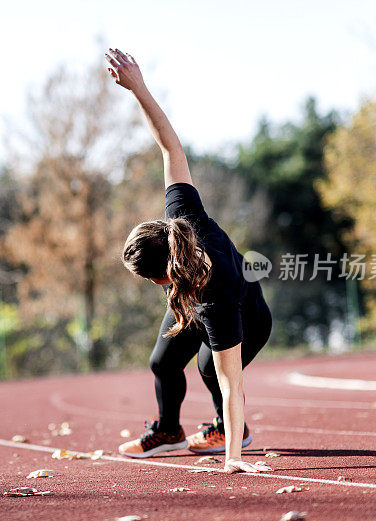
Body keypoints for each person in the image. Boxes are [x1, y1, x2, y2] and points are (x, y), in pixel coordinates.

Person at [105, 48, 273, 474]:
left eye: (149, 281)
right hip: (192, 294)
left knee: (209, 368)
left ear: (164, 274)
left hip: (246, 315)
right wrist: (138, 88)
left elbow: (234, 383)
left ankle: (229, 433)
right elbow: (169, 146)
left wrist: (234, 459)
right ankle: (168, 431)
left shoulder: (215, 295)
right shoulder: (182, 215)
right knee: (162, 362)